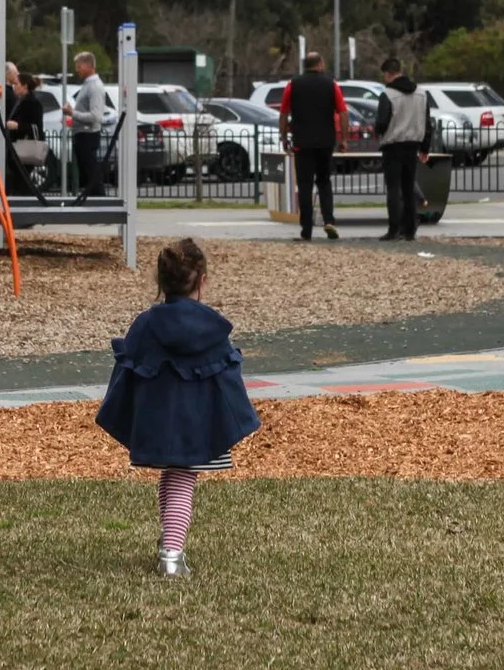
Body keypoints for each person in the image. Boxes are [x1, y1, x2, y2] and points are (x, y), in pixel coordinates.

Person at [94, 238, 260, 577]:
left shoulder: (145, 325)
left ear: (161, 282)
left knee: (172, 476)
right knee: (183, 480)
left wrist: (126, 418)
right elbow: (227, 380)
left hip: (157, 425)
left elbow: (126, 374)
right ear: (202, 281)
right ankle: (172, 555)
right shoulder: (213, 329)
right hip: (197, 426)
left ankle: (168, 541)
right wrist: (234, 420)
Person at [279, 50, 347, 240]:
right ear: (320, 64)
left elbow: (284, 113)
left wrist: (284, 137)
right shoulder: (331, 85)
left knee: (305, 185)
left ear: (305, 65)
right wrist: (343, 139)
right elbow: (343, 112)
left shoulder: (293, 85)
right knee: (324, 182)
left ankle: (306, 229)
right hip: (325, 142)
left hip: (302, 142)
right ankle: (329, 221)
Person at [373, 59, 431, 240]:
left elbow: (382, 122)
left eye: (384, 75)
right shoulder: (421, 94)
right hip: (412, 145)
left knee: (393, 188)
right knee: (408, 187)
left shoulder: (388, 94)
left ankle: (393, 229)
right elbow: (427, 123)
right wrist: (425, 148)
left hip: (392, 145)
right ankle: (410, 229)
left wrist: (378, 131)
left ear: (389, 73)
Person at [3, 62, 50, 195]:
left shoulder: (32, 102)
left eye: (17, 84)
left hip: (24, 146)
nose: (14, 86)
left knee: (21, 181)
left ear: (24, 86)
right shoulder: (22, 100)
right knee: (19, 179)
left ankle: (25, 202)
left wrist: (17, 126)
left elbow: (35, 126)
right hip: (17, 146)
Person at [68, 50, 109, 198]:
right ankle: (92, 201)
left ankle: (99, 201)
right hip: (82, 134)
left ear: (88, 66)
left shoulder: (94, 87)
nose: (77, 69)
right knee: (87, 172)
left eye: (79, 66)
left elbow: (95, 116)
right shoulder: (87, 85)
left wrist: (73, 113)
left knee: (91, 171)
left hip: (88, 134)